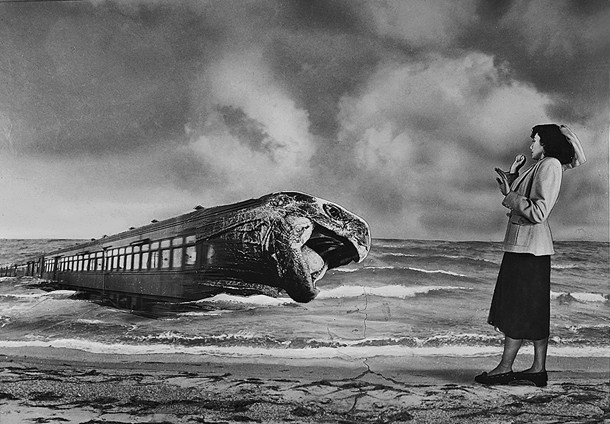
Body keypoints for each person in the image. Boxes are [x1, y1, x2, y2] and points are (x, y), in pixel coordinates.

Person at [475, 124, 586, 387]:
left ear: (545, 143)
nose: (531, 145)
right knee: (533, 309)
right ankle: (537, 369)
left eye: (535, 140)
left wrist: (508, 194)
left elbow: (538, 212)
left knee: (517, 308)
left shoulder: (550, 165)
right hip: (528, 248)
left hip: (528, 248)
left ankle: (505, 368)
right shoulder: (543, 165)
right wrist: (513, 175)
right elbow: (526, 196)